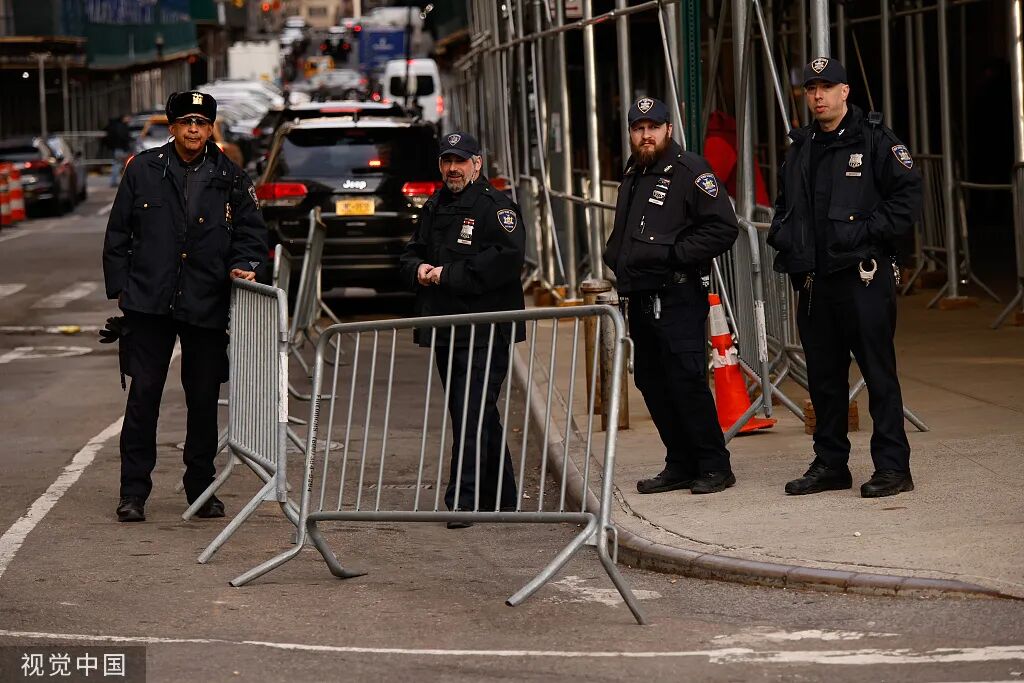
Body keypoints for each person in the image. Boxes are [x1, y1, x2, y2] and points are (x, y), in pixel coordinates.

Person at [102, 91, 267, 522]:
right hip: (149, 303)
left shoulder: (230, 175)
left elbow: (252, 235)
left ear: (210, 129)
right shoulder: (143, 169)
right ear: (172, 127)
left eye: (201, 122)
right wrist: (122, 289)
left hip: (206, 300)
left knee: (203, 399)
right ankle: (133, 492)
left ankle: (201, 489)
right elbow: (118, 233)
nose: (194, 129)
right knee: (143, 398)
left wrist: (245, 266)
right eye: (186, 122)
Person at [767, 58, 922, 498]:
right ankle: (831, 464)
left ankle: (893, 467)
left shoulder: (875, 140)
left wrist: (865, 231)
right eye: (811, 88)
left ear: (845, 91)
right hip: (815, 283)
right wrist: (783, 235)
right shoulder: (801, 147)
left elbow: (908, 197)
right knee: (824, 379)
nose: (818, 96)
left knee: (878, 374)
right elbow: (785, 205)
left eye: (827, 87)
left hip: (863, 277)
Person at [604, 97, 739, 495]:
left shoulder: (690, 170)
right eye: (638, 128)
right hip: (641, 295)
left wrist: (673, 255)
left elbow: (722, 228)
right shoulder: (634, 172)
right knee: (651, 380)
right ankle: (680, 462)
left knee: (686, 380)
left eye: (653, 127)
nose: (645, 135)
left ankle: (714, 465)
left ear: (668, 129)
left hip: (677, 294)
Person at [399, 131, 525, 528]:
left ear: (477, 164)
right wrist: (418, 269)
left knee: (471, 411)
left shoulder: (496, 207)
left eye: (460, 161)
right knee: (473, 411)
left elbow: (507, 258)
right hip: (447, 328)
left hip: (485, 329)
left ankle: (463, 500)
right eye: (447, 161)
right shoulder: (436, 205)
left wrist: (447, 275)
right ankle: (502, 496)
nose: (453, 168)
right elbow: (411, 251)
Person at [103, 114, 132, 187]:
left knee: (118, 165)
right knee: (119, 165)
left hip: (118, 148)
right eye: (127, 118)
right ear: (123, 118)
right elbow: (123, 137)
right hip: (121, 149)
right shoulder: (121, 127)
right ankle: (115, 181)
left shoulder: (117, 126)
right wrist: (129, 140)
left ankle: (115, 181)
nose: (129, 119)